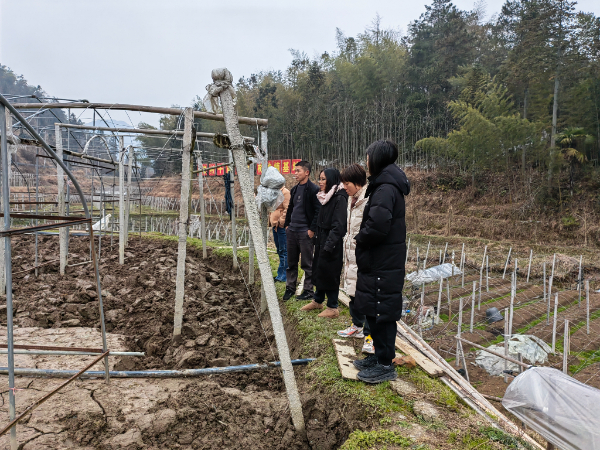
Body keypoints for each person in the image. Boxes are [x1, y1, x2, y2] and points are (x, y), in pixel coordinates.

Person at [352, 140, 410, 384]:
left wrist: (360, 238)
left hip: (383, 260)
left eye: (367, 157)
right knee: (374, 309)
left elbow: (377, 225)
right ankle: (379, 356)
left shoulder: (386, 188)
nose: (366, 162)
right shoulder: (383, 185)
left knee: (382, 312)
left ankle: (386, 364)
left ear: (376, 159)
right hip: (379, 260)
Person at [336, 164, 374, 354]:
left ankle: (370, 336)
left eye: (347, 183)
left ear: (358, 183)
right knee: (353, 293)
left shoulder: (368, 200)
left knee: (366, 297)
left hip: (363, 254)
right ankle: (356, 325)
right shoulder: (352, 200)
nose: (345, 187)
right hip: (351, 253)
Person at [300, 168, 348, 318]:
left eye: (323, 179)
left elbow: (338, 226)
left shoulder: (339, 198)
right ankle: (318, 300)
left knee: (331, 273)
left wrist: (329, 245)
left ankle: (333, 307)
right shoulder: (325, 197)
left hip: (332, 242)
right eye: (319, 179)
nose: (320, 182)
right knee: (320, 270)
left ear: (332, 180)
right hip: (321, 239)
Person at [282, 160, 321, 301]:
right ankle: (290, 288)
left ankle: (308, 290)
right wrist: (287, 225)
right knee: (291, 262)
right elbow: (290, 208)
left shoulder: (313, 190)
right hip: (292, 230)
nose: (295, 173)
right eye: (295, 170)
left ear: (307, 172)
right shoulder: (294, 189)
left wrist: (312, 229)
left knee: (307, 263)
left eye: (298, 170)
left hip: (305, 232)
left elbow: (318, 211)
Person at [269, 185, 290, 282]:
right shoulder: (273, 191)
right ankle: (280, 274)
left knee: (284, 250)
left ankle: (283, 276)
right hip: (275, 225)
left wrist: (281, 221)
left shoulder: (285, 192)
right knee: (279, 250)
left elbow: (287, 208)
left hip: (281, 226)